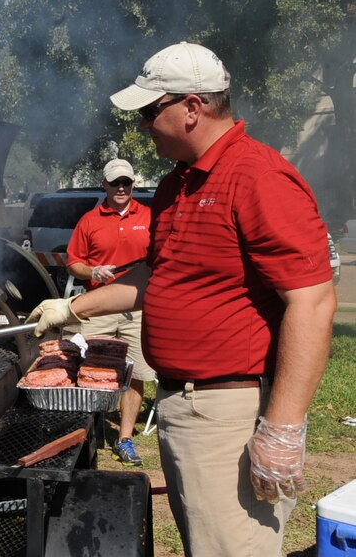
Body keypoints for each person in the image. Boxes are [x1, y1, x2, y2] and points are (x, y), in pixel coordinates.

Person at [27, 41, 336, 556]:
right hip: (180, 404)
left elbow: (314, 301)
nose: (144, 125)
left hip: (226, 410)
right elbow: (158, 275)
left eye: (151, 111)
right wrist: (72, 307)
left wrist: (282, 429)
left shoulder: (258, 177)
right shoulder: (175, 188)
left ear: (193, 108)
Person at [66, 158, 154, 466]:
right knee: (88, 369)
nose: (121, 187)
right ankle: (85, 431)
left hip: (139, 307)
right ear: (103, 184)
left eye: (126, 182)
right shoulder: (89, 220)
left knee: (137, 374)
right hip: (100, 306)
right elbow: (74, 263)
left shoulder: (150, 216)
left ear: (133, 185)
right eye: (115, 182)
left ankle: (125, 439)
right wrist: (93, 270)